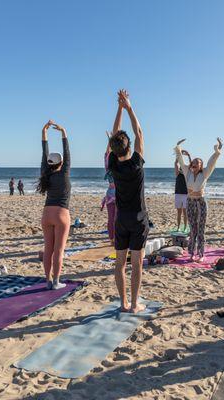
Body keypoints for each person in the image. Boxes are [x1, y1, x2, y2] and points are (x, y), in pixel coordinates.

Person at [108, 89, 148, 313]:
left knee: (120, 263)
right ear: (130, 147)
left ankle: (123, 303)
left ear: (113, 149)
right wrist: (129, 107)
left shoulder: (113, 164)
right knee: (137, 263)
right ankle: (134, 305)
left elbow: (115, 135)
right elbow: (139, 132)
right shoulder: (136, 163)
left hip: (121, 219)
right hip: (139, 218)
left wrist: (119, 108)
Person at [175, 137, 223, 261]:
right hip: (190, 201)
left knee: (201, 229)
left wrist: (217, 150)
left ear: (201, 166)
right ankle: (191, 253)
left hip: (201, 202)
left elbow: (212, 162)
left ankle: (201, 254)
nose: (196, 163)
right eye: (194, 161)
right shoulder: (187, 172)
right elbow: (180, 160)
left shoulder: (205, 173)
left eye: (199, 162)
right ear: (192, 164)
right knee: (193, 229)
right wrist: (178, 148)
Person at [37, 120, 70, 290]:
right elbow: (67, 151)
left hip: (46, 214)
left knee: (48, 249)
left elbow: (45, 153)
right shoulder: (64, 172)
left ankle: (48, 281)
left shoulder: (46, 172)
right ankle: (56, 281)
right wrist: (63, 132)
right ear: (61, 163)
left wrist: (44, 133)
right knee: (59, 250)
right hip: (61, 214)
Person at [103, 129, 117, 246]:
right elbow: (107, 153)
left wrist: (110, 140)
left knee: (112, 218)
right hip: (115, 194)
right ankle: (114, 239)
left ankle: (113, 239)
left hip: (111, 194)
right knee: (115, 218)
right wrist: (110, 140)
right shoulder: (115, 167)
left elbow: (107, 154)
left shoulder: (109, 168)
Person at [174, 149, 191, 232]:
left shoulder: (188, 174)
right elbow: (176, 163)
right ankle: (178, 227)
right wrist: (179, 154)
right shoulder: (178, 174)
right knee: (179, 213)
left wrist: (188, 156)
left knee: (185, 213)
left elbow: (192, 165)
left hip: (186, 195)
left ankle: (184, 227)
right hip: (178, 194)